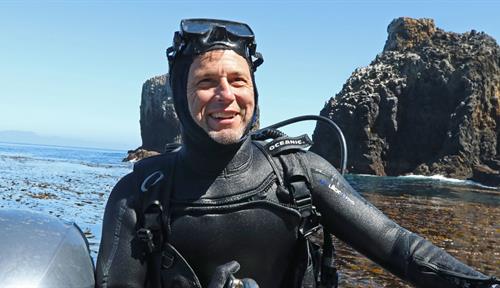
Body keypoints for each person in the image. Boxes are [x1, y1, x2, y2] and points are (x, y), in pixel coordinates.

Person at [96, 18, 498, 288]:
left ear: (253, 91)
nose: (226, 96)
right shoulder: (139, 196)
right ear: (181, 96)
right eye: (205, 82)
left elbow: (401, 248)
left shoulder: (300, 175)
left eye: (238, 80)